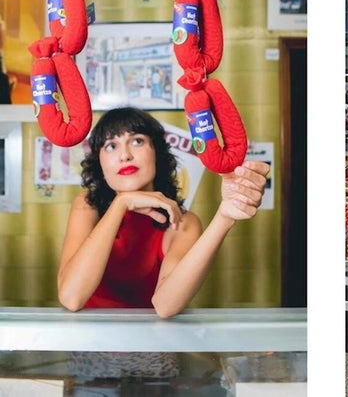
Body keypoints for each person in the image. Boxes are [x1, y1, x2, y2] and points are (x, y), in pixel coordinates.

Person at [57, 107, 270, 318]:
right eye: (111, 146)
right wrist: (121, 203)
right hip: (91, 342)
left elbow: (165, 305)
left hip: (154, 344)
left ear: (157, 153)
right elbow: (71, 297)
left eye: (137, 141)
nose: (125, 155)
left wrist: (224, 217)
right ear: (99, 163)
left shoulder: (183, 222)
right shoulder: (86, 206)